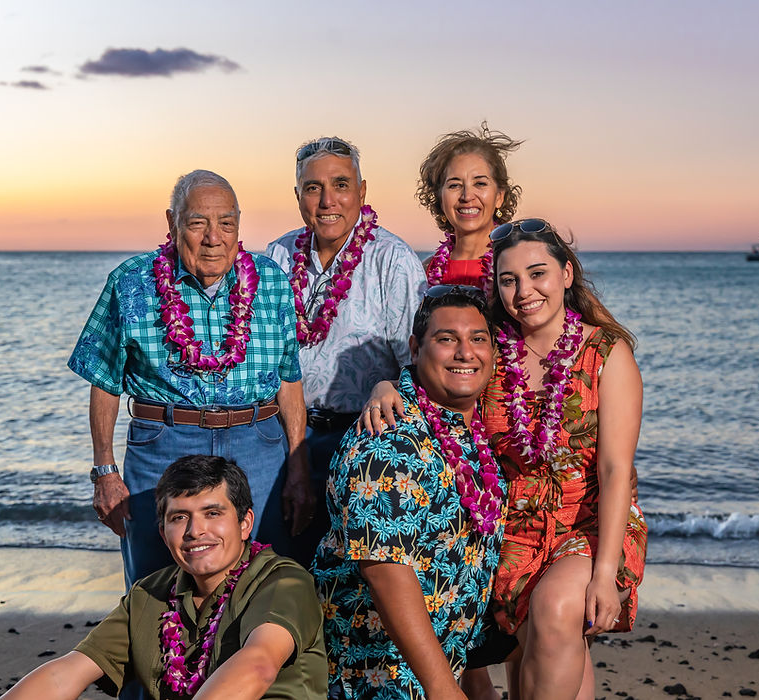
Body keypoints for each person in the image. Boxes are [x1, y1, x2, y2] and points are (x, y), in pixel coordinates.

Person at [360, 220, 647, 700]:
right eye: (509, 280)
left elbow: (616, 469)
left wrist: (604, 571)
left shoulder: (605, 354)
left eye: (538, 274)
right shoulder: (493, 347)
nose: (524, 291)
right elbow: (439, 375)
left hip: (590, 523)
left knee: (557, 607)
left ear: (567, 275)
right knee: (538, 647)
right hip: (509, 526)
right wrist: (385, 385)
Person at [68, 170, 310, 590]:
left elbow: (289, 381)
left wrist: (298, 465)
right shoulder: (131, 282)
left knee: (267, 581)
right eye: (198, 223)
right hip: (163, 442)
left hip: (259, 445)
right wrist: (104, 471)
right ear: (172, 222)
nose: (214, 237)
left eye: (227, 223)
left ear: (239, 224)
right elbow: (104, 378)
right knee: (154, 583)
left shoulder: (272, 281)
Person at [0, 455, 327, 700]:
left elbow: (258, 665)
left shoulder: (283, 581)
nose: (195, 531)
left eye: (212, 514)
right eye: (179, 517)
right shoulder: (150, 595)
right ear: (163, 531)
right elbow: (65, 673)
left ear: (245, 523)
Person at [313, 285, 506, 699]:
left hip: (436, 667)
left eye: (478, 339)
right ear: (416, 348)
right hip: (378, 676)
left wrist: (472, 679)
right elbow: (385, 571)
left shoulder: (465, 426)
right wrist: (441, 688)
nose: (465, 353)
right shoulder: (390, 441)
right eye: (446, 339)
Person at [265, 137, 426, 566]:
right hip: (282, 439)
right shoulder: (277, 257)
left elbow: (419, 370)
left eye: (340, 184)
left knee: (351, 578)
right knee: (282, 568)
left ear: (362, 191)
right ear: (297, 195)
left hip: (364, 440)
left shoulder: (393, 261)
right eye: (313, 187)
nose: (327, 200)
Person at [417, 124, 522, 289]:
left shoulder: (518, 265)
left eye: (480, 183)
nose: (467, 196)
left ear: (499, 197)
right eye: (454, 185)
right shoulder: (423, 273)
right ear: (439, 198)